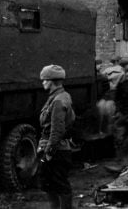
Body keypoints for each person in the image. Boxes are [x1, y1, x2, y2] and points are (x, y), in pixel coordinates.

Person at [38, 64, 76, 209]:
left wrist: (48, 153)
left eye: (44, 80)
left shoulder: (58, 100)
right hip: (55, 148)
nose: (43, 82)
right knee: (50, 185)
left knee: (60, 185)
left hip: (56, 151)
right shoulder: (59, 96)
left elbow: (57, 130)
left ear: (51, 81)